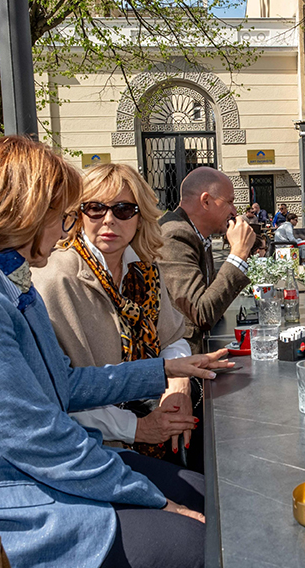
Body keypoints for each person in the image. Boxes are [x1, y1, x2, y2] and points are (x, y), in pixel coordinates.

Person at [0, 137, 231, 568]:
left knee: (218, 499)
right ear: (24, 215)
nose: (70, 226)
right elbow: (39, 440)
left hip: (35, 473)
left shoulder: (0, 276)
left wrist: (164, 369)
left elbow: (63, 385)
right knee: (211, 560)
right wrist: (152, 499)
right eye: (65, 214)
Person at [32, 163, 202, 469]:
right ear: (77, 215)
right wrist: (138, 429)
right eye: (95, 209)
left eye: (123, 209)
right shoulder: (55, 278)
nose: (109, 220)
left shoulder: (146, 269)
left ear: (140, 217)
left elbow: (173, 338)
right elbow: (60, 389)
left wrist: (178, 384)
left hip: (156, 422)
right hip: (93, 449)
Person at [159, 167, 255, 353]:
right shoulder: (174, 235)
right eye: (229, 202)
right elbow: (202, 313)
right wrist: (238, 254)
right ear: (206, 201)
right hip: (181, 362)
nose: (234, 212)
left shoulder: (197, 233)